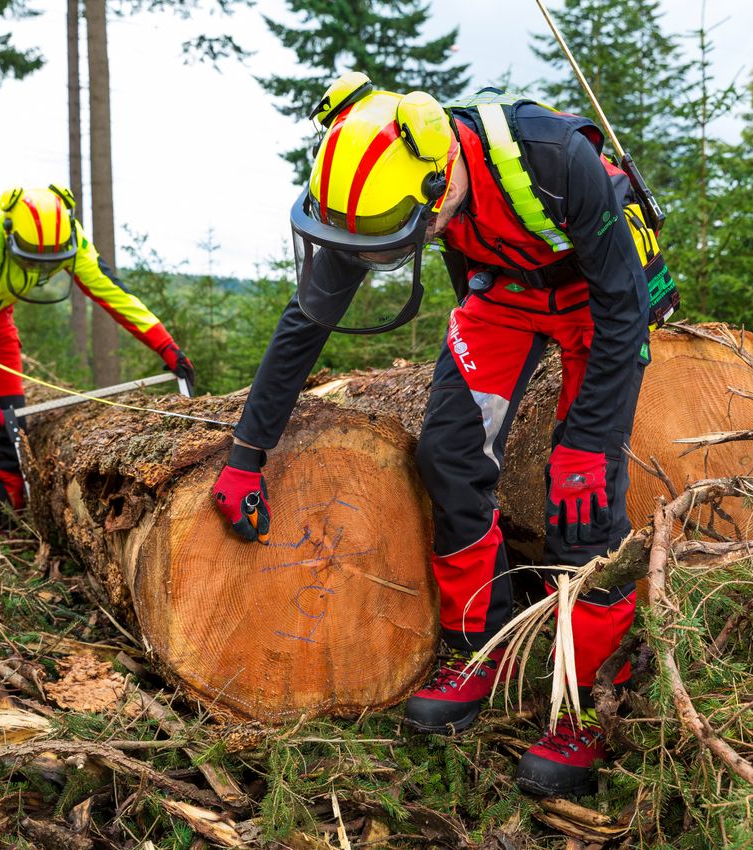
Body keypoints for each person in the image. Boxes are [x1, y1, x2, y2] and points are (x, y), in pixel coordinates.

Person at [212, 73, 676, 797]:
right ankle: (475, 645)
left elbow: (624, 308)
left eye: (401, 234)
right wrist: (247, 454)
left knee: (581, 495)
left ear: (442, 181)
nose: (375, 251)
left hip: (601, 300)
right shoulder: (373, 188)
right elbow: (307, 321)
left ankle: (586, 700)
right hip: (504, 293)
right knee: (448, 455)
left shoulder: (552, 159)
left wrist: (587, 444)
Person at [0, 185, 194, 546]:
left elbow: (112, 291)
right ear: (9, 235)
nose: (39, 271)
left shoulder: (67, 238)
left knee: (11, 421)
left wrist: (165, 345)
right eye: (30, 261)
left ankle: (2, 515)